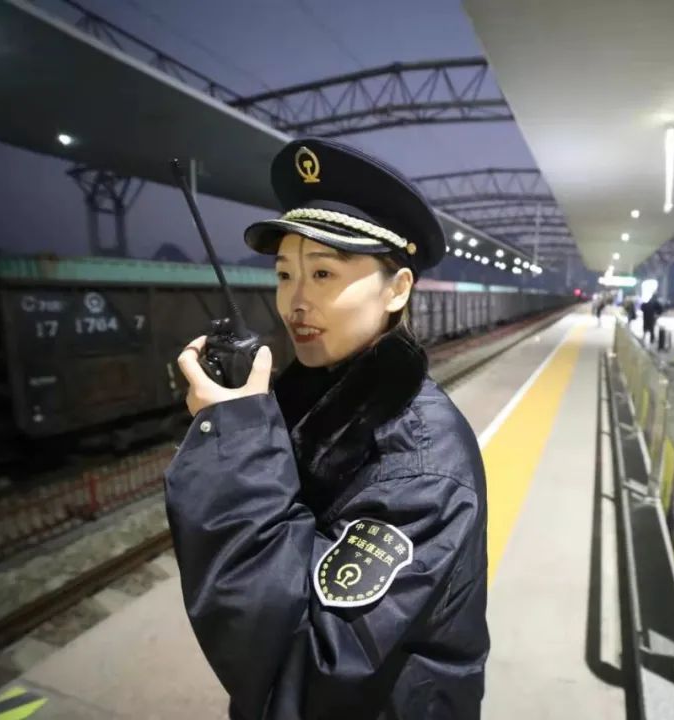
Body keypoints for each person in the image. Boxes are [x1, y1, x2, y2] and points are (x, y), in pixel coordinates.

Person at [166, 138, 489, 720]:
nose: (295, 301)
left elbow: (309, 658)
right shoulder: (316, 401)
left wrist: (236, 446)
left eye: (322, 272)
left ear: (397, 289)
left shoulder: (420, 463)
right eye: (284, 274)